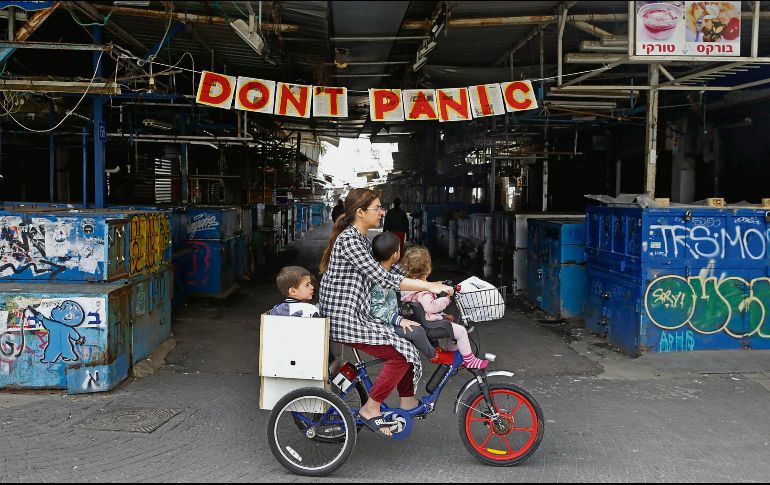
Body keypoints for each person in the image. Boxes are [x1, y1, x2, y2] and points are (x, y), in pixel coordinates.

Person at [319, 188, 453, 437]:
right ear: (360, 212)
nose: (382, 212)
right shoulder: (350, 240)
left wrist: (424, 279)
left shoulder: (360, 239)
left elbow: (386, 274)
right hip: (346, 319)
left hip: (357, 314)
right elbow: (382, 277)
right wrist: (428, 285)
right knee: (400, 356)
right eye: (377, 207)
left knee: (405, 342)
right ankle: (371, 408)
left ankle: (407, 400)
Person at [400, 246, 489, 369]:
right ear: (428, 269)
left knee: (455, 332)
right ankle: (470, 360)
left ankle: (452, 356)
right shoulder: (423, 292)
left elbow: (425, 310)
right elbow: (430, 307)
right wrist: (446, 299)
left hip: (426, 321)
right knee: (462, 331)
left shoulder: (412, 287)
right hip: (431, 324)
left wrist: (443, 316)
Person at [369, 232, 452, 361]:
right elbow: (376, 309)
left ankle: (435, 349)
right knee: (417, 331)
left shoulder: (387, 272)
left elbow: (387, 303)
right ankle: (434, 355)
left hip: (390, 318)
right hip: (384, 325)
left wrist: (402, 312)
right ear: (395, 255)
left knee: (416, 321)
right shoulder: (381, 280)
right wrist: (399, 319)